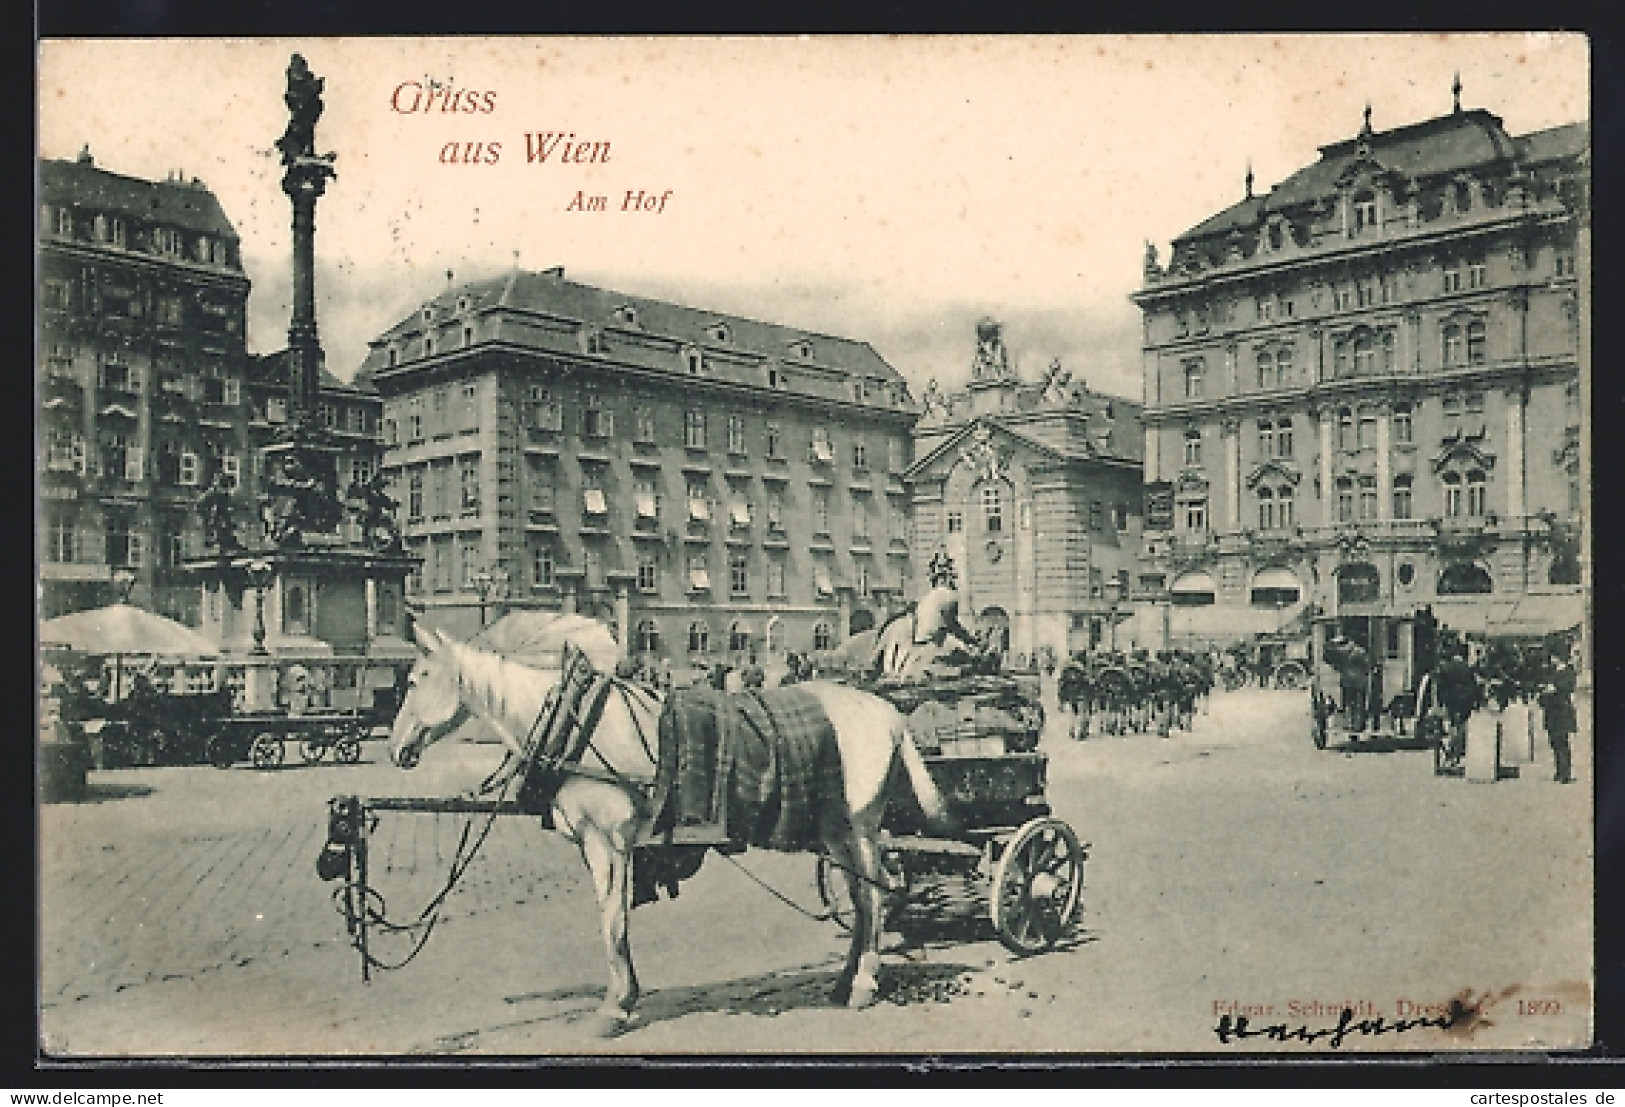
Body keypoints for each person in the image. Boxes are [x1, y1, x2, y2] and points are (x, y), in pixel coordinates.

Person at [1537, 654, 1578, 784]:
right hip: (1551, 713)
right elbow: (1545, 690)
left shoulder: (1568, 673)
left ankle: (1565, 773)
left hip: (1562, 713)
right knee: (1554, 742)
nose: (1551, 659)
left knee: (1562, 743)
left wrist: (1553, 689)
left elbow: (1563, 689)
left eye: (1553, 656)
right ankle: (1559, 771)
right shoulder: (1552, 672)